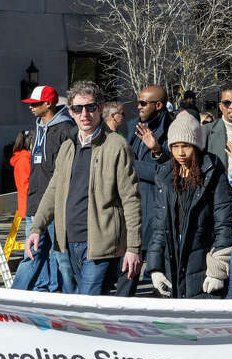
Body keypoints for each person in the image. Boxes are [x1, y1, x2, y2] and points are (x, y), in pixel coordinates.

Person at [30, 81, 142, 295]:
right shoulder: (67, 146)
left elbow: (131, 200)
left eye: (90, 107)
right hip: (67, 242)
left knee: (87, 306)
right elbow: (53, 191)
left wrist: (133, 248)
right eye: (77, 108)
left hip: (101, 244)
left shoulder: (116, 146)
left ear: (100, 109)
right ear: (70, 112)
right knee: (80, 308)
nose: (84, 114)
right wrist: (37, 228)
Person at [146, 112, 232, 298]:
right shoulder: (165, 175)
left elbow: (224, 224)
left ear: (196, 145)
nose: (180, 153)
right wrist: (155, 268)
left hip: (204, 264)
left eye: (186, 146)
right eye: (175, 146)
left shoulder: (212, 172)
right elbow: (159, 227)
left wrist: (217, 269)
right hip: (172, 263)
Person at [18, 85, 75, 292]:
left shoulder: (66, 130)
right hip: (35, 205)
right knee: (31, 255)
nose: (31, 108)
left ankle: (71, 301)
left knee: (62, 258)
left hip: (57, 205)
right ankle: (14, 301)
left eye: (36, 104)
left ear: (48, 104)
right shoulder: (37, 130)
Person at [127, 86, 172, 276]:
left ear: (159, 105)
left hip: (156, 213)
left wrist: (156, 151)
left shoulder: (172, 130)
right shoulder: (132, 127)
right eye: (138, 102)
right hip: (131, 209)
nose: (139, 107)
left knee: (156, 278)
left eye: (144, 103)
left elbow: (167, 172)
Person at [10, 130, 32, 216]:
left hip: (27, 203)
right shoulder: (25, 160)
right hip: (29, 204)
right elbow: (26, 185)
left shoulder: (23, 159)